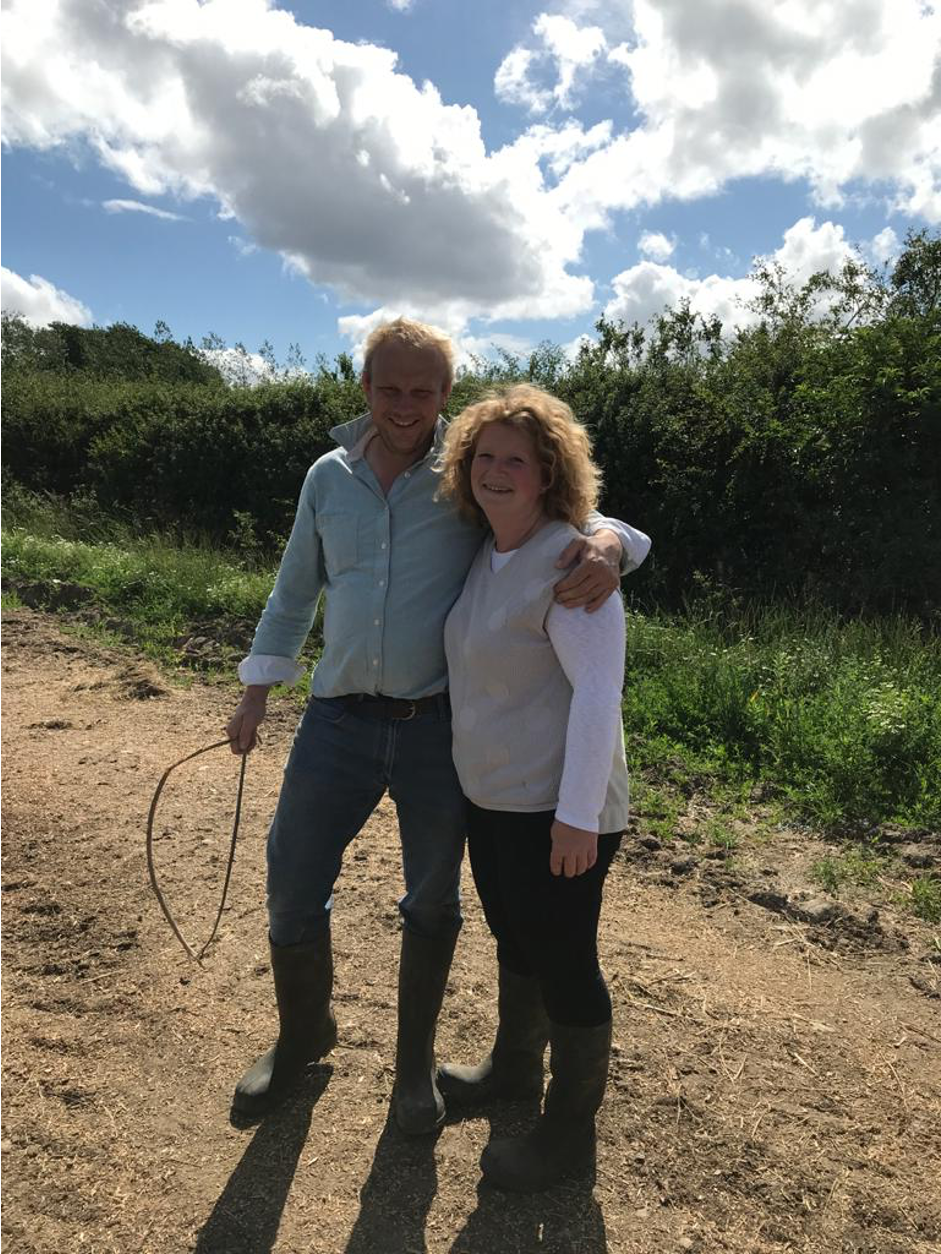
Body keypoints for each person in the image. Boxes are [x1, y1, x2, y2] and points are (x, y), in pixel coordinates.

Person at [225, 318, 650, 1136]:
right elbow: (292, 592)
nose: (405, 405)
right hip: (337, 718)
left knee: (433, 901)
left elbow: (573, 507)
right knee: (290, 878)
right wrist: (255, 690)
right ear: (365, 387)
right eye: (390, 388)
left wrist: (612, 544)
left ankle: (414, 1074)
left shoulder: (467, 467)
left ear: (444, 395)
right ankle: (302, 1033)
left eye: (423, 391)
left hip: (434, 730)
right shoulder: (329, 477)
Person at [436, 383, 636, 1190]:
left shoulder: (570, 561)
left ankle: (566, 1139)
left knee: (564, 961)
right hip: (494, 801)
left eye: (514, 460)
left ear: (548, 472)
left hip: (559, 809)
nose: (495, 471)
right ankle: (512, 1072)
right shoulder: (484, 550)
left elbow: (597, 696)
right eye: (483, 456)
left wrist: (577, 817)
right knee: (516, 944)